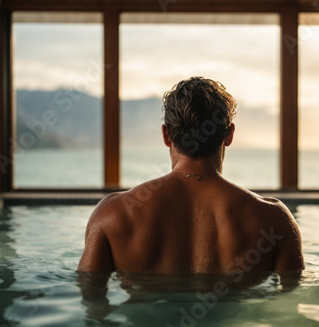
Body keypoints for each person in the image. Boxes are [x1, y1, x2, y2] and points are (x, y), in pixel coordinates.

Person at [78, 77, 304, 279]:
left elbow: (91, 304)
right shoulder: (275, 221)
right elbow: (291, 305)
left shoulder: (111, 215)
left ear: (166, 135)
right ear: (229, 135)